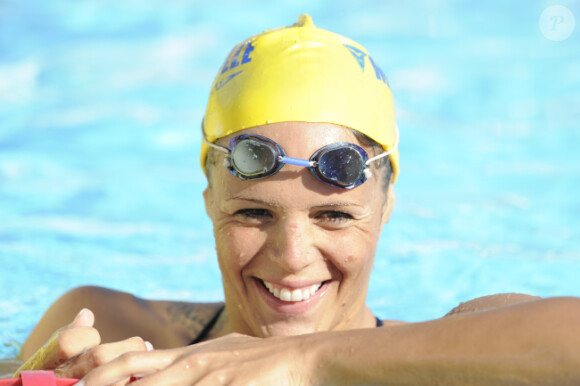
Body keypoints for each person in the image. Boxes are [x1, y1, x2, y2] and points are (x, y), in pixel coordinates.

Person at [16, 14, 580, 385]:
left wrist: (303, 362)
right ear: (211, 198)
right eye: (253, 212)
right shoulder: (119, 329)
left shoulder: (461, 352)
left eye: (333, 215)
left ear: (385, 207)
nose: (292, 257)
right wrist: (37, 376)